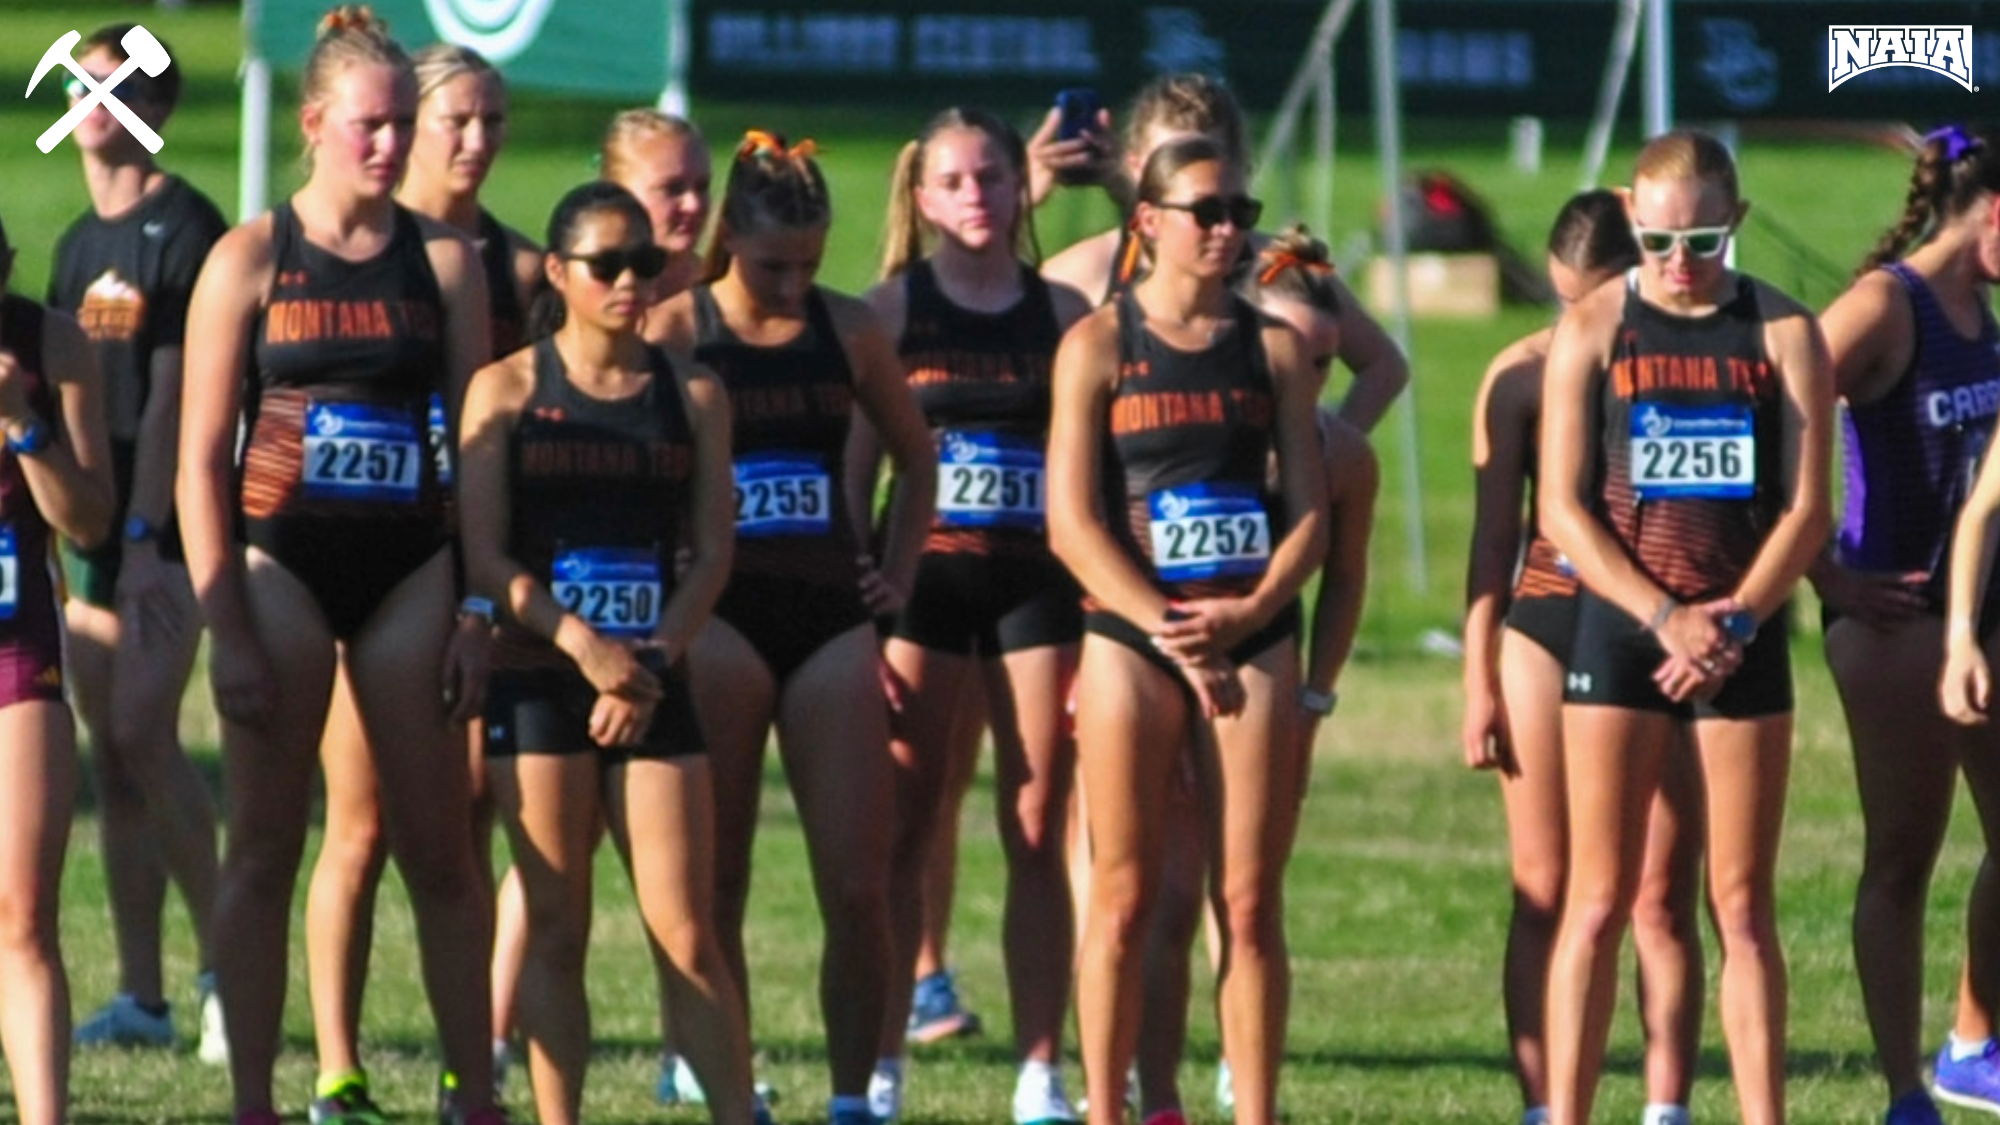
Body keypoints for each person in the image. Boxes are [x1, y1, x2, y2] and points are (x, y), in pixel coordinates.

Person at [175, 8, 502, 1124]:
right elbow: (198, 467)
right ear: (314, 123)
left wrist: (473, 605)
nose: (390, 143)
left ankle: (473, 1094)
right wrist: (225, 627)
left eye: (402, 124)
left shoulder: (446, 262)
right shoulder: (250, 257)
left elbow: (477, 442)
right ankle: (259, 1100)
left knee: (440, 848)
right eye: (370, 123)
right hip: (283, 569)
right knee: (264, 847)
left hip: (411, 565)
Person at [1538, 128, 1833, 1125]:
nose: (1678, 265)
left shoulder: (1783, 333)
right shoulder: (1592, 327)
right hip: (1624, 629)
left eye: (1703, 241)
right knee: (1596, 899)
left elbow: (1805, 510)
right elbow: (1561, 509)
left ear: (1737, 224)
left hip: (1739, 635)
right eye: (1658, 242)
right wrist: (1662, 617)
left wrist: (1734, 617)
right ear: (1629, 215)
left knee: (1740, 906)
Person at [651, 129, 936, 1125]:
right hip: (720, 620)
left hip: (827, 618)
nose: (791, 283)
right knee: (717, 877)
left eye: (810, 264)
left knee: (856, 884)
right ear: (730, 235)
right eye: (774, 264)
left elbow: (917, 461)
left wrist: (891, 580)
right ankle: (729, 1081)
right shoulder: (676, 328)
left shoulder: (849, 330)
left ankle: (854, 1096)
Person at [458, 179, 756, 1125]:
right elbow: (487, 551)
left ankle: (736, 1110)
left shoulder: (694, 392)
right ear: (559, 271)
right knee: (556, 928)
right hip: (543, 674)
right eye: (607, 264)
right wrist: (582, 643)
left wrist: (654, 659)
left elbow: (713, 552)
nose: (631, 280)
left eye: (646, 262)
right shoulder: (505, 389)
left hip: (653, 676)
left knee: (689, 930)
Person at [1048, 134, 1328, 1125]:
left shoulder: (1275, 348)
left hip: (1249, 628)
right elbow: (1070, 523)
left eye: (1238, 212)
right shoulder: (1094, 345)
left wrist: (1247, 614)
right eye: (1204, 211)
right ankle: (1104, 1108)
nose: (1225, 229)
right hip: (1134, 636)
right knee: (1120, 903)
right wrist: (1165, 624)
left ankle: (1251, 1111)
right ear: (1147, 222)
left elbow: (1309, 512)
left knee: (1246, 905)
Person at [299, 42, 540, 1116]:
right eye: (457, 121)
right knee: (360, 822)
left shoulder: (524, 270)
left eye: (493, 121)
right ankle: (340, 1066)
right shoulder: (362, 247)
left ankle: (467, 1066)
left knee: (471, 827)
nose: (474, 142)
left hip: (483, 574)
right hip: (367, 562)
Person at [850, 106, 1093, 1125]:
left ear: (1018, 183)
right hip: (925, 588)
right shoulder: (890, 313)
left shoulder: (1067, 312)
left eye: (991, 177)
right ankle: (881, 1061)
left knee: (1036, 823)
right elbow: (853, 474)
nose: (976, 198)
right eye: (952, 182)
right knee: (905, 826)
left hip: (1035, 585)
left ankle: (1040, 1069)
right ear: (920, 197)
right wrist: (864, 593)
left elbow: (1098, 478)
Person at [1461, 193, 1705, 1125]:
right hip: (1550, 621)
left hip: (1663, 631)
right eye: (1561, 301)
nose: (1577, 322)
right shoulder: (1520, 375)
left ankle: (1664, 1102)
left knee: (1658, 890)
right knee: (1547, 886)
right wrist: (1476, 676)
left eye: (1592, 298)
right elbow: (1491, 547)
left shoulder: (1696, 361)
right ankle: (1544, 1103)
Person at [45, 20, 227, 1062]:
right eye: (82, 82)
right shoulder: (75, 243)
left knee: (150, 737)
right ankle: (142, 997)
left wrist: (154, 532)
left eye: (110, 86)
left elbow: (172, 402)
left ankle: (221, 973)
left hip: (159, 530)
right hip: (91, 532)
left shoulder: (186, 231)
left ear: (152, 113)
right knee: (112, 758)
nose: (88, 99)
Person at [1861, 125, 2000, 1125]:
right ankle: (1904, 1089)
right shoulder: (1884, 302)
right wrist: (1819, 564)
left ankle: (1968, 1043)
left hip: (1971, 606)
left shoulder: (1978, 308)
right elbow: (1778, 395)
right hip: (1887, 613)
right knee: (1903, 853)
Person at [0, 211, 117, 1125]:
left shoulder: (53, 346)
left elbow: (88, 523)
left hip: (16, 651)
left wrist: (23, 426)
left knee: (23, 912)